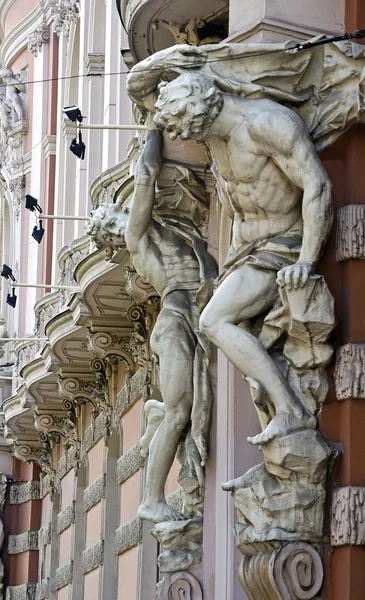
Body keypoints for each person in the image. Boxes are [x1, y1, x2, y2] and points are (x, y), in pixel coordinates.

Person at [127, 46, 333, 446]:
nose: (184, 139)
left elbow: (317, 185)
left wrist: (306, 260)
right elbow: (140, 89)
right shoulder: (213, 134)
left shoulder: (266, 123)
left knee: (213, 321)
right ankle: (280, 423)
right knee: (247, 347)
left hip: (284, 246)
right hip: (247, 253)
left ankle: (292, 413)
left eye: (186, 129)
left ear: (201, 110)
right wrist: (163, 61)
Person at [86, 127, 216, 523]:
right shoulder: (136, 235)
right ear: (113, 234)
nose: (121, 213)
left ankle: (155, 416)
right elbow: (146, 173)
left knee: (186, 407)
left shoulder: (166, 230)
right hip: (177, 319)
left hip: (195, 309)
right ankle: (152, 497)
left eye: (115, 211)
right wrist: (156, 124)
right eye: (113, 218)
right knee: (181, 412)